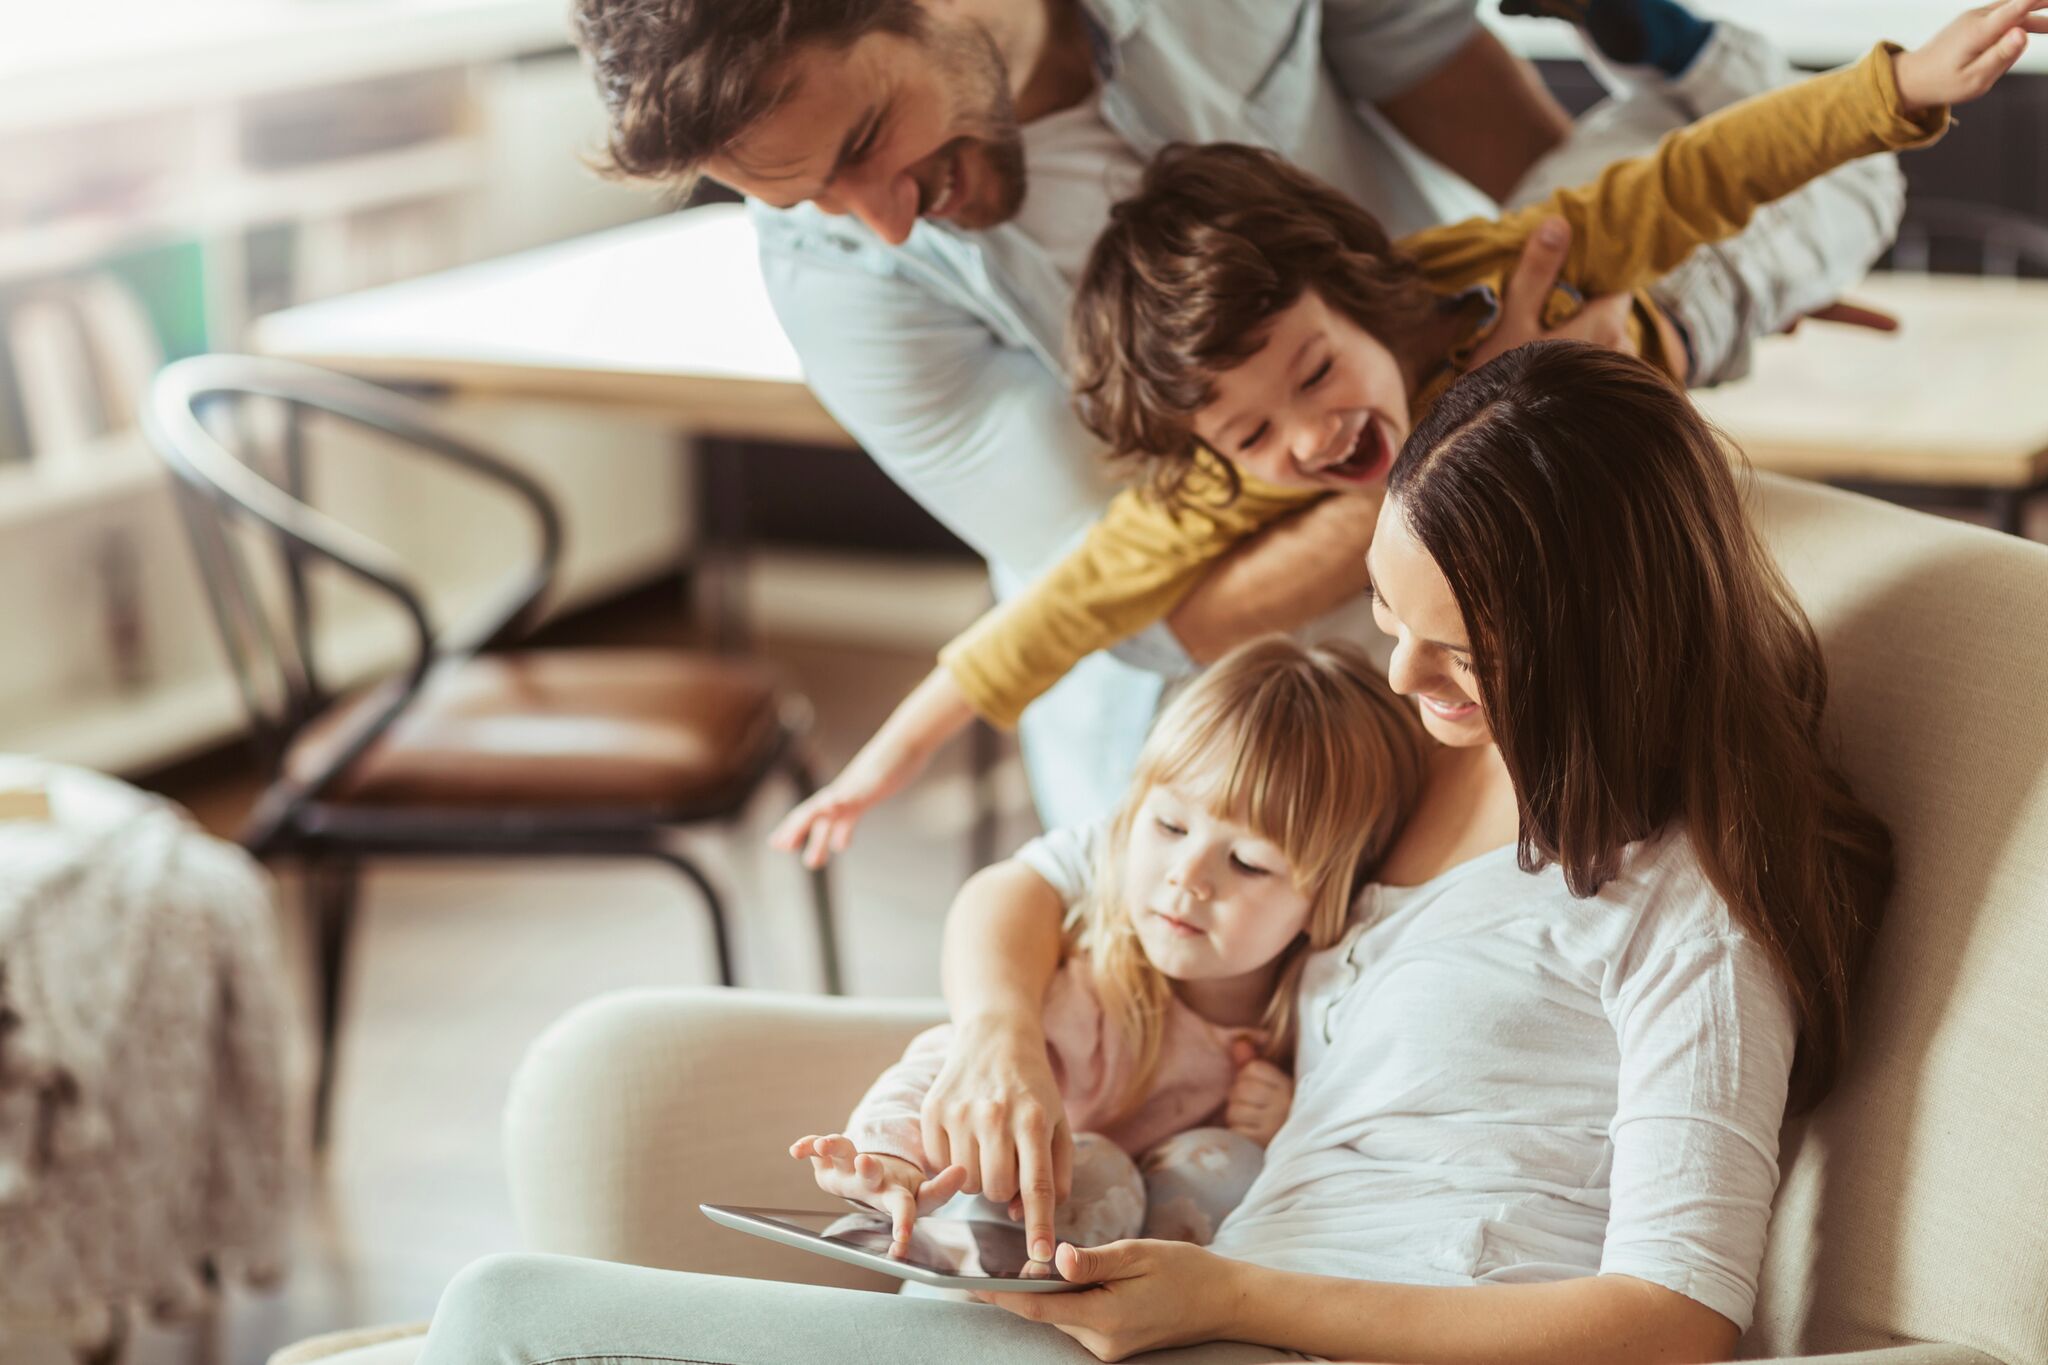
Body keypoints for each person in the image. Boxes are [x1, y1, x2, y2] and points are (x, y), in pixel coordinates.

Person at [410, 337, 1896, 1364]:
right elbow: (1055, 878)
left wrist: (1225, 1295)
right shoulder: (1401, 770)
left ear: (1606, 650)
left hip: (1264, 1333)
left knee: (500, 1320)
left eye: (1461, 655)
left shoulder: (1689, 908)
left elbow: (1675, 1314)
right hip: (1173, 1313)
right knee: (511, 1312)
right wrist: (1000, 1046)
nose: (1401, 679)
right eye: (1390, 621)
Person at [571, 0, 1902, 834]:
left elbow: (1518, 161)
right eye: (804, 199)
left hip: (1488, 413)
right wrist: (1496, 403)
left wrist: (1640, 265)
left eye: (864, 143)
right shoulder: (849, 287)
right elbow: (1169, 613)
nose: (879, 217)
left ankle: (1695, 275)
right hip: (1252, 723)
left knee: (1812, 172)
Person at [792, 637, 1427, 1254]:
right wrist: (887, 1158)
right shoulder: (1093, 995)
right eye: (1170, 825)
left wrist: (1285, 1121)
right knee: (1096, 1170)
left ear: (1326, 903)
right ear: (1126, 825)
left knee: (1233, 1163)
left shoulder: (1317, 1017)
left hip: (1159, 1296)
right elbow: (957, 1066)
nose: (1188, 876)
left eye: (1248, 863)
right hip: (996, 1251)